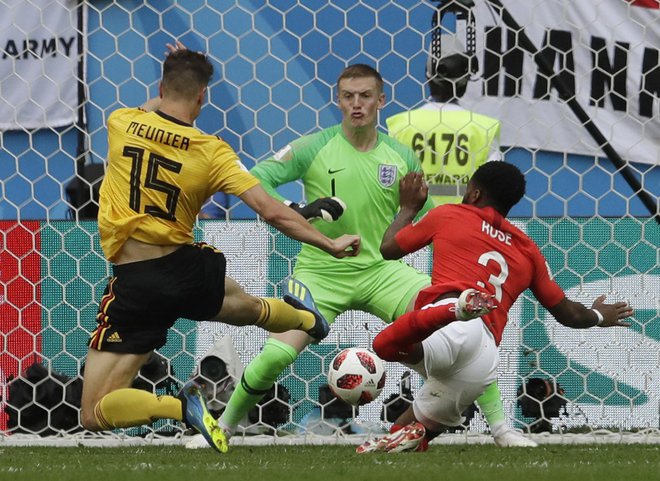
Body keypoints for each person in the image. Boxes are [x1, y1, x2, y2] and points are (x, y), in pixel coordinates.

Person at [79, 41, 360, 455]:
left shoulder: (121, 122)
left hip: (137, 281)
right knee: (247, 309)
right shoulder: (213, 152)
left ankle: (180, 406)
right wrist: (328, 242)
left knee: (95, 411)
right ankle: (305, 318)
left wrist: (176, 64)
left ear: (161, 84)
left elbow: (158, 104)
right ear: (203, 96)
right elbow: (272, 212)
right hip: (187, 268)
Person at [206, 63, 438, 445]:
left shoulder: (401, 158)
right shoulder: (314, 146)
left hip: (382, 272)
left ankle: (499, 428)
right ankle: (223, 427)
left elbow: (420, 221)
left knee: (450, 330)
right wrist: (296, 207)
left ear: (381, 100)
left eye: (365, 96)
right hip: (320, 273)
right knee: (276, 357)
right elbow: (255, 178)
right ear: (338, 99)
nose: (357, 104)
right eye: (348, 96)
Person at [356, 163, 633, 453]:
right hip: (483, 358)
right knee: (406, 436)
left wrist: (408, 208)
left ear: (474, 194)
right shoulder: (527, 250)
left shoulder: (449, 215)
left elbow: (388, 249)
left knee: (385, 345)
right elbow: (568, 314)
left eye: (466, 191)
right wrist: (600, 315)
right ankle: (454, 426)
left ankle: (457, 308)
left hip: (452, 325)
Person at [386, 38, 525, 447]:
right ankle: (496, 425)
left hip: (419, 238)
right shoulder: (481, 127)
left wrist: (405, 216)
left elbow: (392, 184)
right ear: (467, 82)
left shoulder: (400, 125)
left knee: (432, 340)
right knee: (471, 338)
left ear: (428, 77)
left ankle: (431, 419)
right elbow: (496, 186)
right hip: (467, 249)